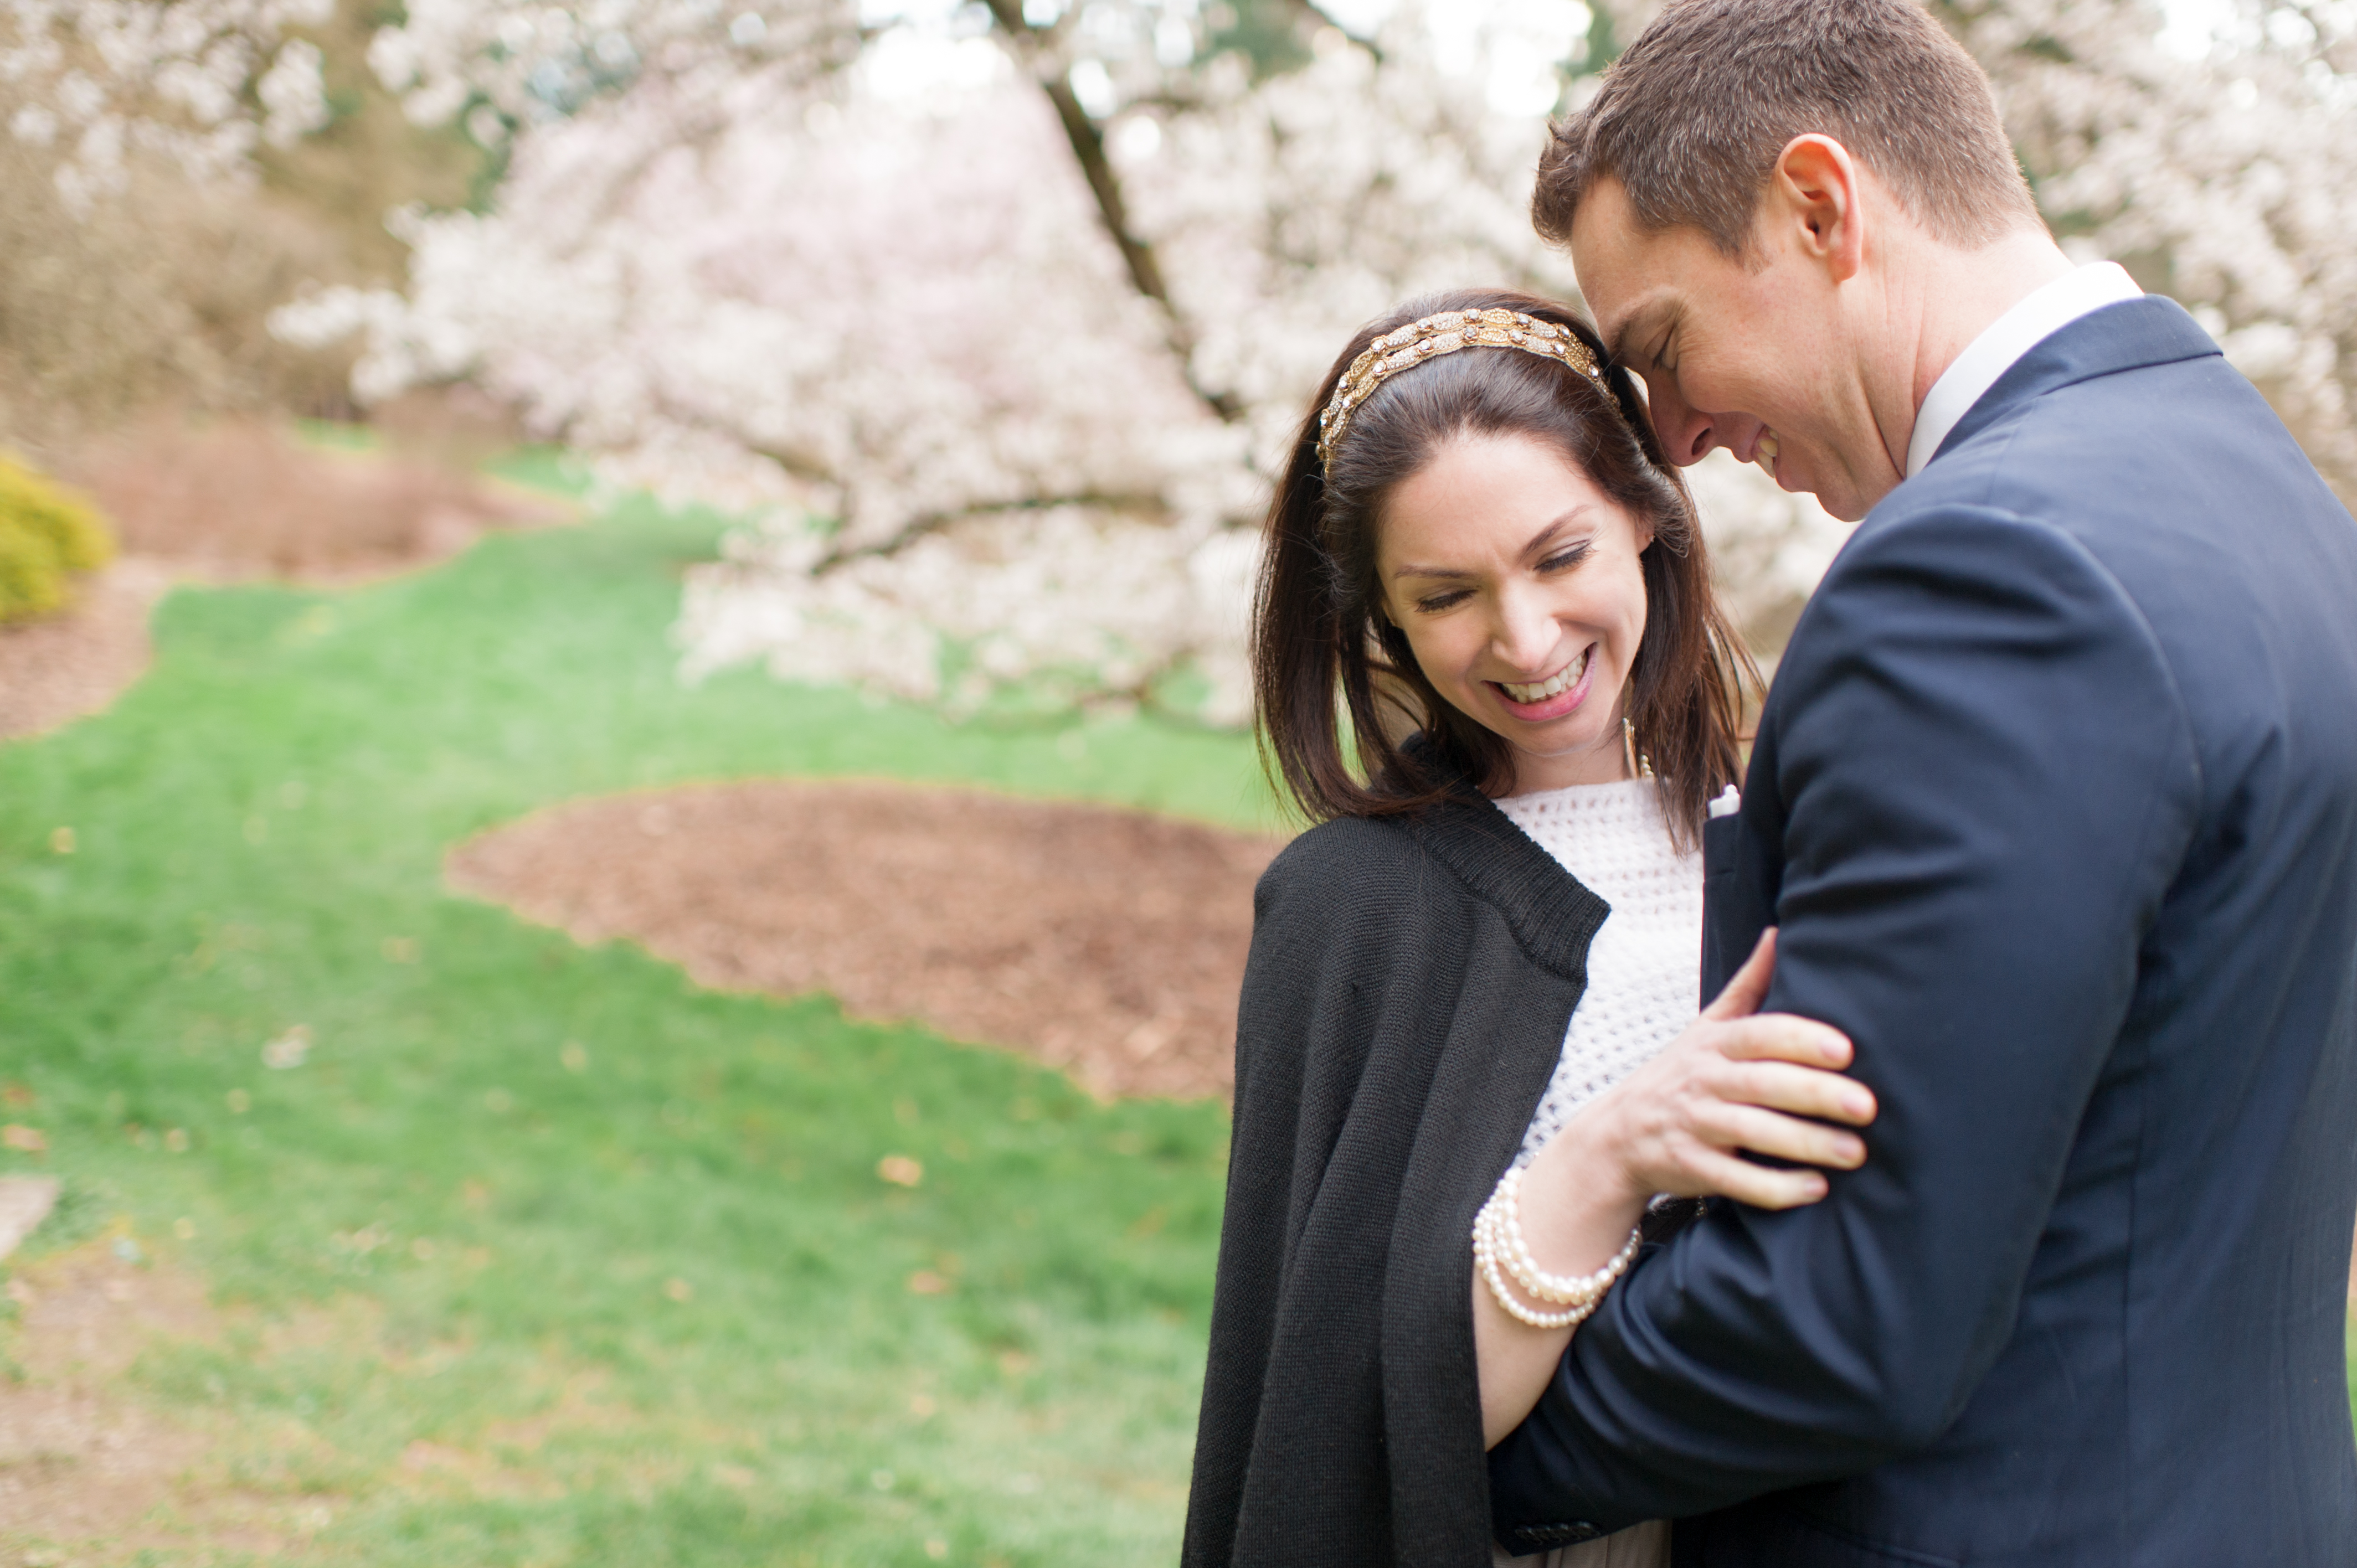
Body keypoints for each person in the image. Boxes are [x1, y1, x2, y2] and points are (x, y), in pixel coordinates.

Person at [1485, 2, 2357, 1565]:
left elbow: (1843, 1316)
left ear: (1822, 208)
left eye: (1665, 348)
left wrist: (1433, 1449)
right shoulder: (2267, 492)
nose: (1671, 442)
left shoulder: (1983, 573)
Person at [1180, 286, 1879, 1568]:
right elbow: (1361, 1438)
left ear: (1646, 521)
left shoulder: (1818, 830)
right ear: (1380, 618)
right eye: (1445, 595)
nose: (1524, 637)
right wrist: (1611, 1159)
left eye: (1560, 558)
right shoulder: (1354, 911)